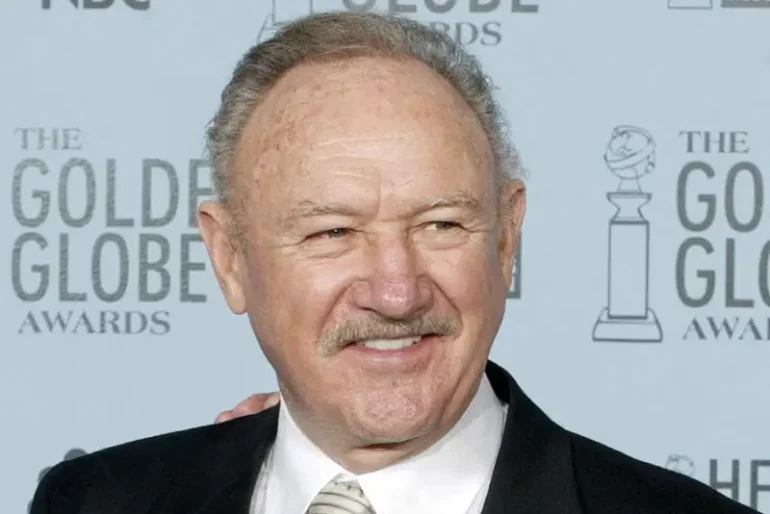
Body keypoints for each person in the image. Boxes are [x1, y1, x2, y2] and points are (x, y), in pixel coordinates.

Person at [30, 10, 756, 514]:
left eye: (441, 223)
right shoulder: (93, 502)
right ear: (229, 257)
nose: (397, 291)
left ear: (507, 238)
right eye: (332, 233)